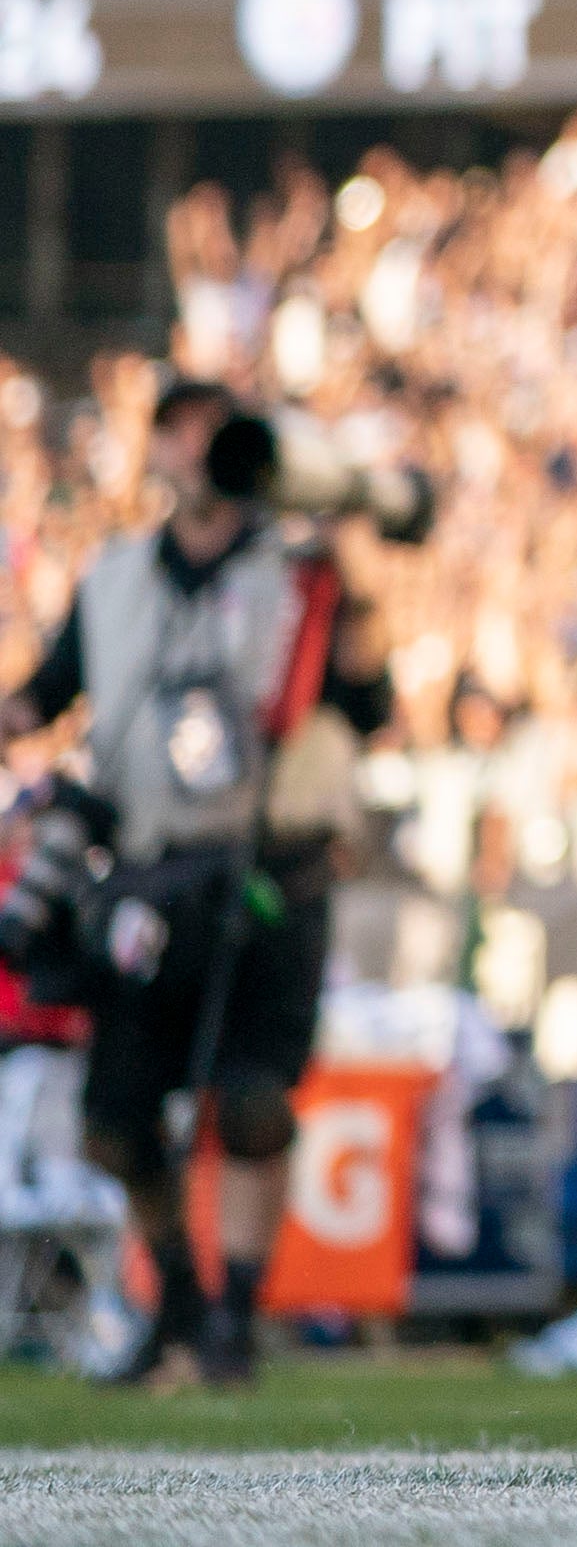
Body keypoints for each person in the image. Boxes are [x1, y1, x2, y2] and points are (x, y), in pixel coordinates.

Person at [0, 382, 398, 1388]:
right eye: (178, 432)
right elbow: (50, 694)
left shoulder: (302, 573)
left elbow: (365, 700)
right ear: (158, 453)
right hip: (149, 868)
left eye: (214, 432)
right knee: (117, 1124)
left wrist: (360, 582)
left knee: (255, 1101)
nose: (196, 451)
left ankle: (231, 1316)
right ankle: (176, 1295)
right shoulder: (117, 574)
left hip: (272, 867)